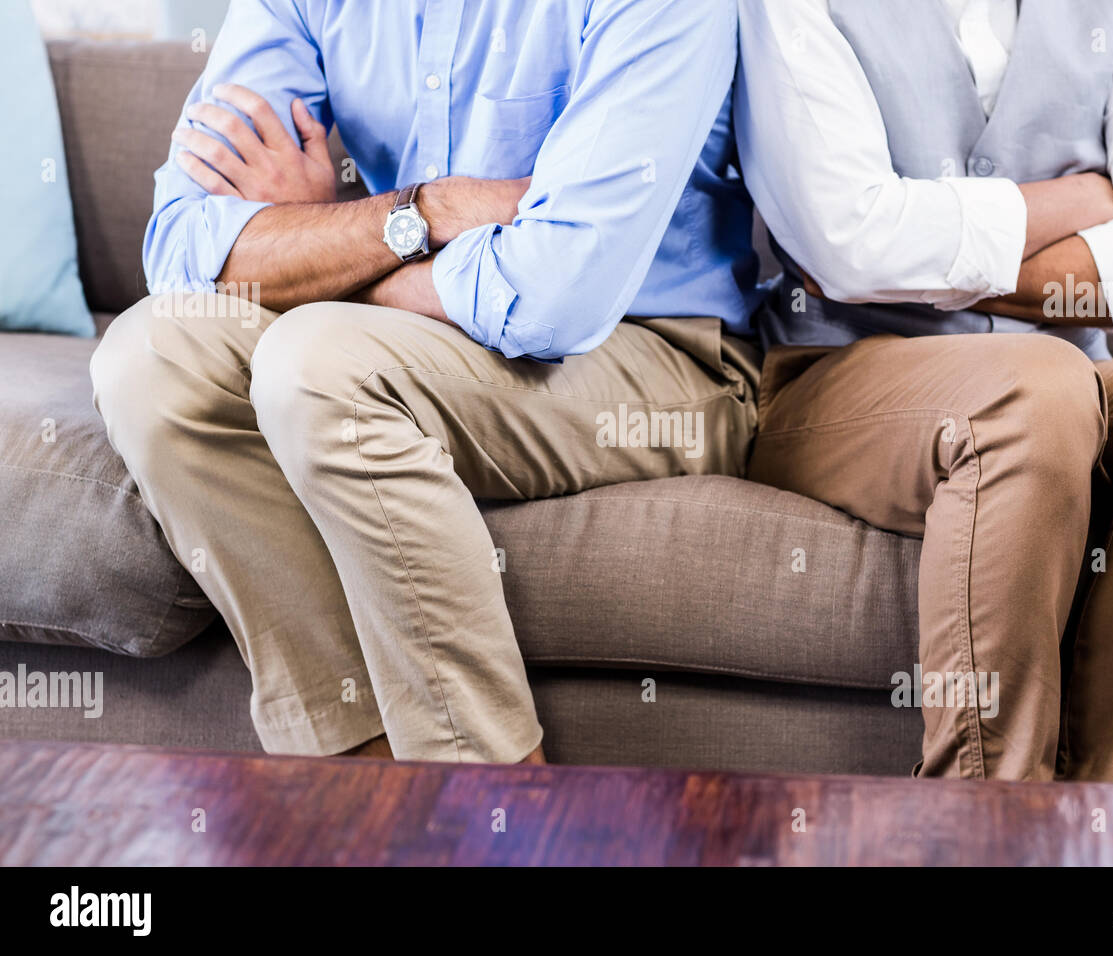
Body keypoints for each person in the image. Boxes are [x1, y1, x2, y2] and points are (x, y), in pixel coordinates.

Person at [91, 0, 763, 764]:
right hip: (413, 328)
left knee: (318, 366)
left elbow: (555, 295)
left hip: (657, 353)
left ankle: (493, 819)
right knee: (151, 355)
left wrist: (315, 252)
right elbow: (182, 250)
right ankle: (363, 796)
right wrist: (429, 211)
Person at [735, 0, 1113, 781]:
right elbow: (851, 244)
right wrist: (1079, 204)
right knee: (1036, 389)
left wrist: (934, 258)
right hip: (839, 377)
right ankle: (988, 831)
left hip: (1075, 377)